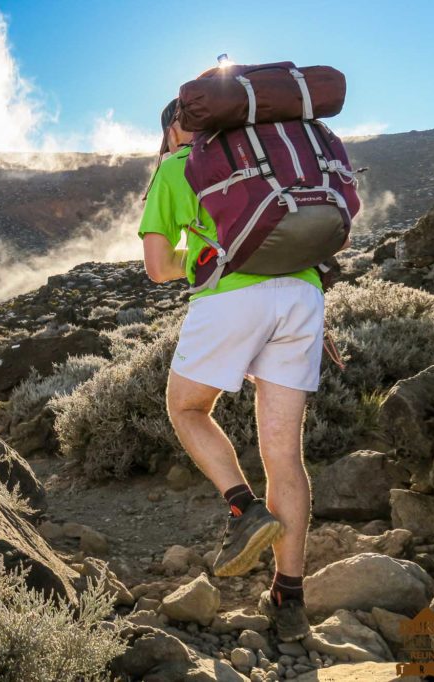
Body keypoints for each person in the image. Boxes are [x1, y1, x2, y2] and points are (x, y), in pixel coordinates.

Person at [139, 98, 351, 642]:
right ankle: (289, 601)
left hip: (236, 296)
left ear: (175, 128)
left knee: (186, 407)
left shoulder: (176, 165)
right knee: (285, 456)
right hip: (304, 295)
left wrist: (209, 253)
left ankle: (242, 509)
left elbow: (159, 267)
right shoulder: (279, 157)